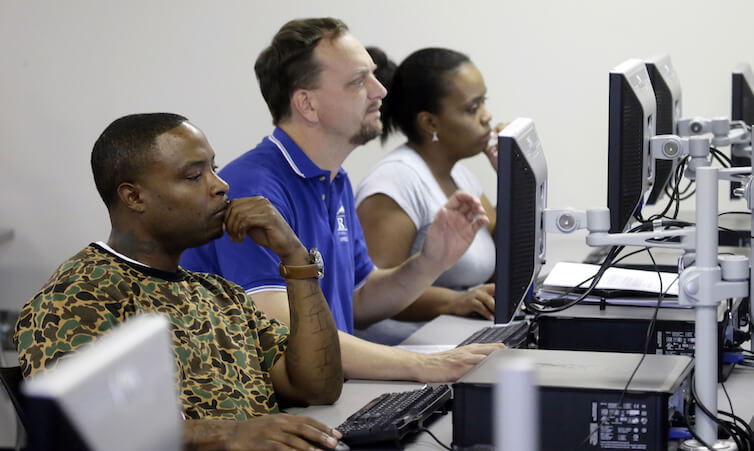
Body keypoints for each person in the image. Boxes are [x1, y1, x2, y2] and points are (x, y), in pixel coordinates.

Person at [181, 17, 504, 381]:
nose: (380, 90)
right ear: (308, 104)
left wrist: (431, 260)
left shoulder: (335, 179)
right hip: (280, 414)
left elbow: (359, 298)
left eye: (373, 76)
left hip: (329, 391)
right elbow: (285, 332)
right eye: (358, 81)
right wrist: (423, 365)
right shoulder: (253, 187)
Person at [14, 113, 345, 450]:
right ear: (134, 197)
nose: (220, 185)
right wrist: (230, 433)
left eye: (213, 169)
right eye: (193, 176)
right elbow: (81, 427)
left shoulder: (220, 295)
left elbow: (317, 387)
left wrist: (295, 256)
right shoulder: (77, 296)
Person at [353, 47, 506, 342]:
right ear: (430, 123)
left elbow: (505, 263)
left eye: (483, 103)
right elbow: (366, 293)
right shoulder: (396, 181)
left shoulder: (459, 175)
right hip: (401, 355)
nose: (487, 117)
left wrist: (513, 176)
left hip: (455, 341)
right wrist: (453, 301)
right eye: (472, 109)